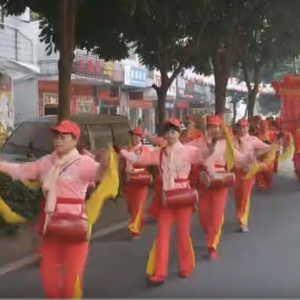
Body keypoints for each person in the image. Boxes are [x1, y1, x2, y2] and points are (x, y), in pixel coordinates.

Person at [0, 120, 108, 298]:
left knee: (71, 282)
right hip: (51, 226)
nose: (58, 140)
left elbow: (100, 174)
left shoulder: (83, 163)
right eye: (56, 136)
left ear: (74, 140)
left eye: (63, 137)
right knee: (49, 280)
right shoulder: (46, 162)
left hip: (75, 228)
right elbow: (21, 170)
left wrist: (105, 163)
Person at [120, 118, 207, 285]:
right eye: (167, 131)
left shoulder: (189, 150)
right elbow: (141, 160)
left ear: (179, 133)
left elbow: (205, 156)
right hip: (167, 199)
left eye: (173, 131)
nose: (170, 134)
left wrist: (211, 146)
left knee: (183, 234)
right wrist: (122, 153)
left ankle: (186, 266)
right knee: (162, 235)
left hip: (182, 197)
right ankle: (159, 272)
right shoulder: (160, 152)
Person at [186, 115, 249, 260]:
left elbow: (237, 156)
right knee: (203, 216)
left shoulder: (226, 143)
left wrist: (248, 159)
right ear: (207, 128)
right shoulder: (197, 143)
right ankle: (210, 233)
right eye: (211, 127)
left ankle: (212, 245)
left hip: (221, 182)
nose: (214, 130)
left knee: (216, 215)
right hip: (204, 183)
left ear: (220, 128)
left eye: (216, 127)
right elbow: (183, 152)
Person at [233, 119, 271, 232]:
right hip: (236, 172)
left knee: (245, 196)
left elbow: (266, 148)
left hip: (249, 172)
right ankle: (240, 214)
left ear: (248, 128)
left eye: (244, 127)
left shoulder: (253, 140)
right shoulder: (232, 140)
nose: (241, 129)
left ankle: (243, 221)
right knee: (238, 196)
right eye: (239, 127)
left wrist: (274, 146)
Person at [120, 127, 151, 239]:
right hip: (130, 181)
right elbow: (122, 164)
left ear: (141, 137)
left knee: (138, 206)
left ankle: (135, 229)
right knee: (131, 206)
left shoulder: (145, 150)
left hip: (140, 180)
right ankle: (135, 222)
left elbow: (144, 160)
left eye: (137, 136)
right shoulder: (127, 149)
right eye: (133, 135)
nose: (135, 138)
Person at [255, 120, 277, 191]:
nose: (263, 127)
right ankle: (261, 186)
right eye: (262, 126)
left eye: (265, 126)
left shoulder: (272, 135)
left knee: (268, 172)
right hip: (259, 156)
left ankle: (268, 184)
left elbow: (276, 144)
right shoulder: (256, 135)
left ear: (268, 126)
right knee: (259, 172)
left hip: (269, 157)